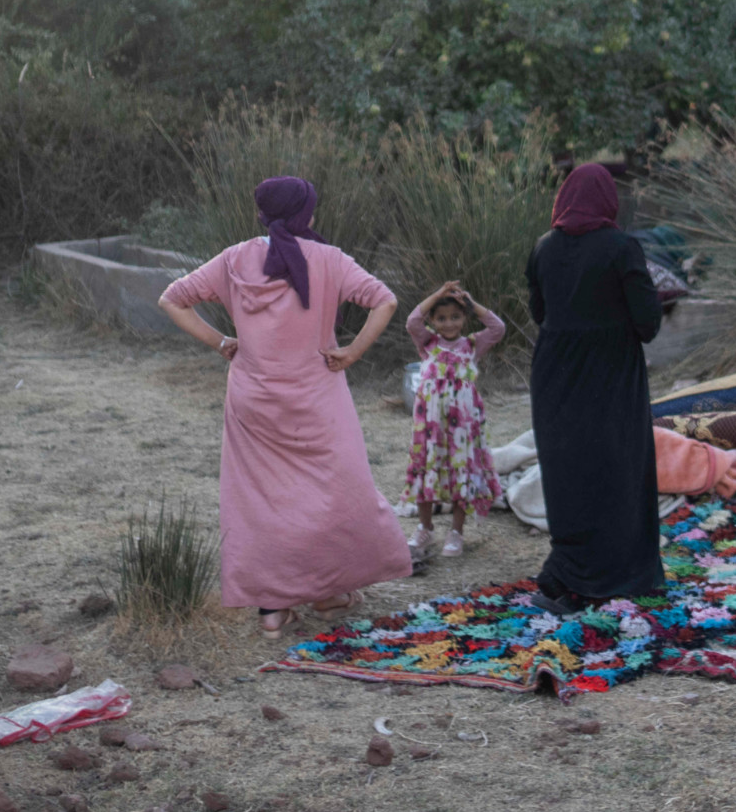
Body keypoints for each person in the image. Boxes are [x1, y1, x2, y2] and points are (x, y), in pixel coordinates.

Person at [157, 175, 416, 637]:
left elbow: (172, 299)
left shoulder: (234, 258)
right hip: (317, 396)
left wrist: (221, 342)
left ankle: (272, 609)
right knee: (336, 491)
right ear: (306, 214)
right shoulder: (329, 259)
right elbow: (385, 300)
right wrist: (353, 352)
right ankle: (329, 592)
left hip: (253, 399)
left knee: (262, 501)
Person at [523, 163, 666, 612]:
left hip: (555, 374)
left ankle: (571, 575)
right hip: (610, 373)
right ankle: (626, 574)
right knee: (617, 468)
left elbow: (540, 312)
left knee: (569, 474)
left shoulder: (543, 249)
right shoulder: (623, 248)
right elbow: (648, 325)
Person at [403, 281, 507, 559]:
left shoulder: (472, 345)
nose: (449, 324)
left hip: (463, 425)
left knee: (462, 469)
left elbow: (498, 328)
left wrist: (473, 305)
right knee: (427, 468)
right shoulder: (427, 343)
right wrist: (437, 294)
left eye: (455, 317)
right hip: (431, 424)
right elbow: (412, 321)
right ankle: (425, 528)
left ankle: (456, 532)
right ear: (433, 321)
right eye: (441, 318)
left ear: (464, 318)